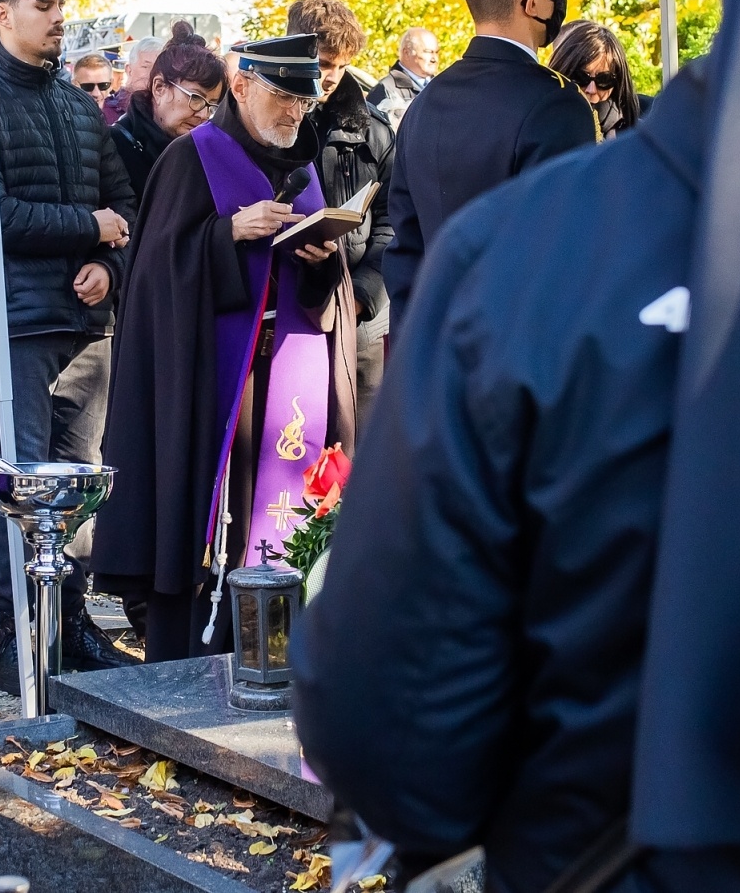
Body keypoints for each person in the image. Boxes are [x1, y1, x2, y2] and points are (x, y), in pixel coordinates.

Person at [294, 57, 706, 893]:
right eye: (592, 79)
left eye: (607, 82)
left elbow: (387, 703)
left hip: (601, 832)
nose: (597, 92)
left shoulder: (519, 232)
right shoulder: (543, 136)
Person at [94, 33, 357, 664]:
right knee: (214, 521)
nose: (296, 112)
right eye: (284, 96)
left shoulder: (304, 167)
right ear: (241, 86)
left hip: (290, 372)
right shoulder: (193, 158)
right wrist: (225, 234)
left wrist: (323, 258)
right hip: (213, 382)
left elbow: (328, 291)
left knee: (286, 512)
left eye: (305, 99)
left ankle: (279, 652)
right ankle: (196, 656)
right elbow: (155, 277)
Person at [0, 0, 139, 696]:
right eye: (43, 4)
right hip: (15, 322)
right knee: (23, 488)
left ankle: (70, 625)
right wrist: (89, 228)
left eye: (61, 3)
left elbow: (125, 206)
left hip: (86, 322)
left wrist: (108, 267)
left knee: (79, 487)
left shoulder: (79, 105)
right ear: (1, 14)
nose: (58, 16)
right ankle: (17, 636)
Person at [383, 0, 598, 318]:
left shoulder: (423, 105)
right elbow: (564, 261)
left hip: (437, 344)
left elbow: (405, 252)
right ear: (533, 1)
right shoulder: (555, 104)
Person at [287, 0, 394, 430]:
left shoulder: (374, 130)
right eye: (324, 62)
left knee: (357, 450)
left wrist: (361, 298)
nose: (332, 76)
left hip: (359, 320)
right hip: (284, 316)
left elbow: (393, 224)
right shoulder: (263, 120)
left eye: (342, 65)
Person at [110, 21, 226, 202]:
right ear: (159, 88)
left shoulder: (205, 152)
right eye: (196, 98)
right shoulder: (113, 146)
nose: (203, 115)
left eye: (212, 105)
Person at [550, 20, 651, 139]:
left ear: (618, 81)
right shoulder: (541, 124)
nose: (591, 89)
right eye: (581, 77)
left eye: (604, 79)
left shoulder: (639, 132)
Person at [365, 26, 438, 130]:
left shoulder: (440, 87)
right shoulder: (386, 89)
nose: (434, 59)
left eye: (437, 52)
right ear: (407, 53)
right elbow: (374, 134)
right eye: (428, 52)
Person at [106, 35, 164, 125]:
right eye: (146, 67)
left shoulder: (169, 113)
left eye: (159, 67)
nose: (153, 73)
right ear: (129, 70)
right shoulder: (106, 111)